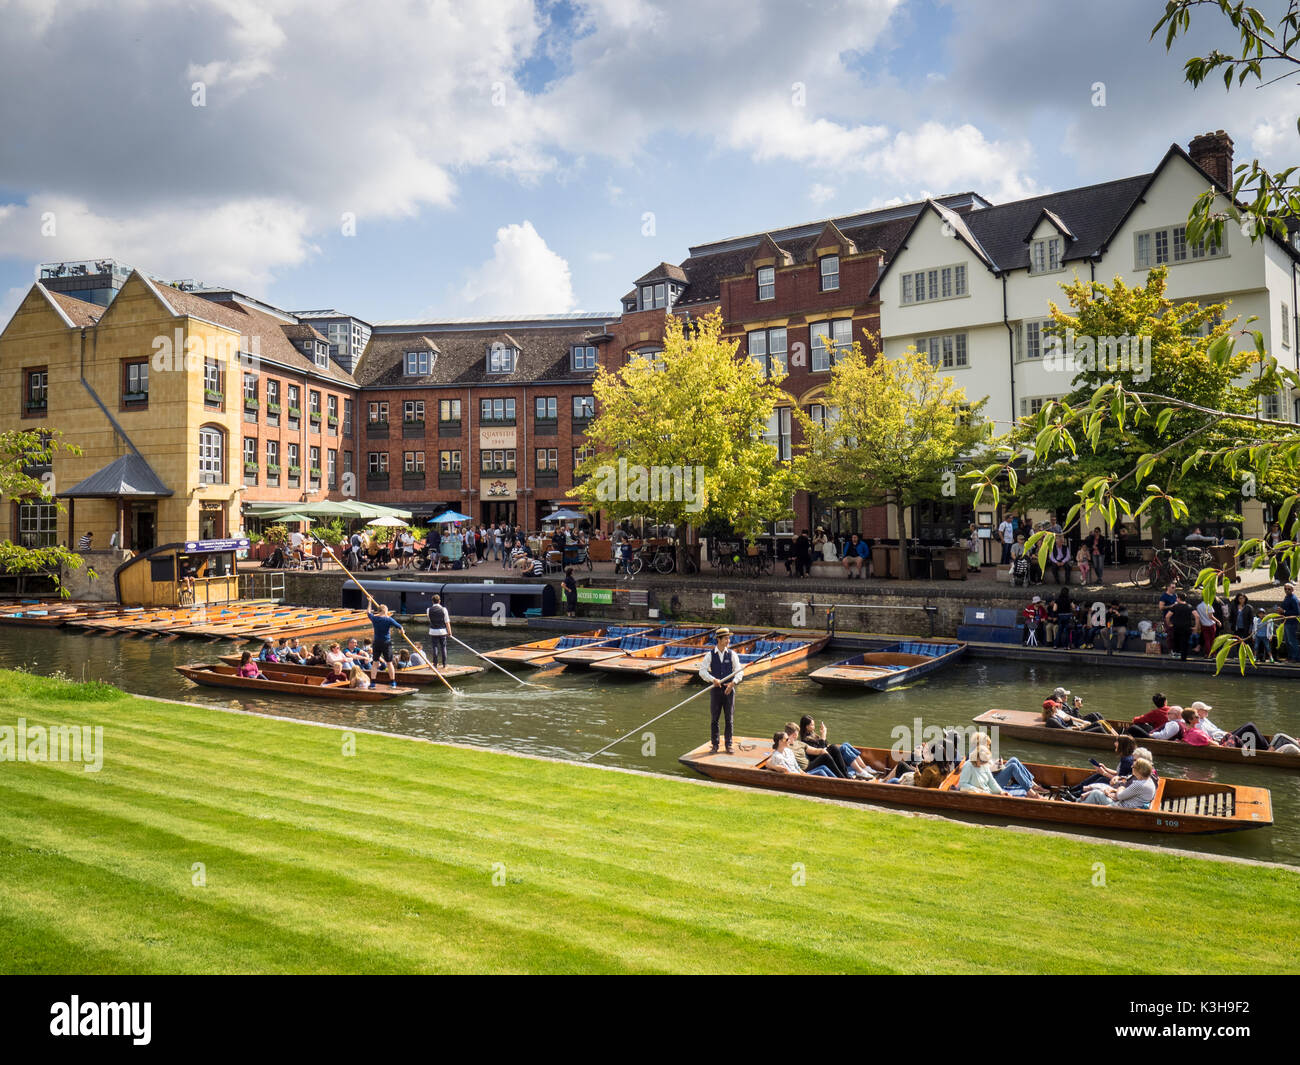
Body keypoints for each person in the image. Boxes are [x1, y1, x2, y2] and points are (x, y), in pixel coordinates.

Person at [698, 627, 743, 755]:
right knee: (714, 719)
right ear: (718, 639)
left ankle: (729, 744)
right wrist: (713, 680)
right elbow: (702, 671)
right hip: (716, 691)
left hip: (729, 690)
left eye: (729, 638)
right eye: (726, 638)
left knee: (729, 719)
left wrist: (733, 683)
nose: (728, 640)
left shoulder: (732, 654)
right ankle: (715, 745)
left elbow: (740, 671)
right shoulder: (710, 655)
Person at [798, 716, 881, 779]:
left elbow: (826, 744)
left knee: (845, 744)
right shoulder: (805, 740)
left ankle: (864, 767)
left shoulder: (813, 735)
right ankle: (860, 771)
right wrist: (823, 735)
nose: (814, 726)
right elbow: (820, 750)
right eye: (812, 725)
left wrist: (823, 736)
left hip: (826, 752)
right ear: (806, 726)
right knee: (841, 748)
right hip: (822, 757)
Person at [1080, 758, 1156, 807]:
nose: (1131, 768)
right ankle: (1077, 802)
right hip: (1127, 804)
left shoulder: (1139, 784)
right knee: (1100, 788)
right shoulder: (1148, 781)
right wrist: (1114, 790)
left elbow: (1120, 796)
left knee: (1096, 793)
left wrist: (1121, 786)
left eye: (1133, 767)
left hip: (1122, 808)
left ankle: (1077, 806)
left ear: (1138, 770)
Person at [766, 730, 836, 777]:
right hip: (796, 778)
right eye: (787, 739)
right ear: (780, 741)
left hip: (800, 774)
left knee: (823, 768)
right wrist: (803, 776)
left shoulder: (788, 751)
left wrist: (803, 773)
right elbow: (787, 773)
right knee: (820, 771)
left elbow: (797, 766)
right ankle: (836, 784)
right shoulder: (777, 756)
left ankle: (838, 780)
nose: (789, 740)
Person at [367, 604, 404, 688]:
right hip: (386, 643)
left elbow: (368, 612)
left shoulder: (375, 618)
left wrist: (369, 602)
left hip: (376, 643)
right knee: (389, 663)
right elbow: (399, 626)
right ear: (385, 611)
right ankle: (393, 682)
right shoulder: (389, 619)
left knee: (375, 663)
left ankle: (372, 683)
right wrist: (402, 631)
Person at [1165, 591, 1196, 660]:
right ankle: (1184, 657)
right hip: (1186, 627)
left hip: (1176, 627)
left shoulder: (1175, 607)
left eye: (1177, 598)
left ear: (1179, 598)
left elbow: (1167, 616)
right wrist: (1196, 626)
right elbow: (1197, 616)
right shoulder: (1189, 606)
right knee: (1185, 642)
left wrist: (1169, 624)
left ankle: (1177, 656)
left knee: (1176, 641)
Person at [426, 594, 451, 669]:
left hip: (433, 631)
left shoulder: (428, 610)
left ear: (432, 601)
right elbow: (447, 622)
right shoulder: (444, 609)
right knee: (443, 647)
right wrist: (449, 632)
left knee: (435, 647)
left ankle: (435, 664)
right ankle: (444, 664)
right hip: (442, 631)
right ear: (439, 601)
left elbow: (430, 619)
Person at [1282, 582, 1300, 661]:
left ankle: (1296, 657)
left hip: (1292, 623)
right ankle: (1290, 656)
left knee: (1292, 640)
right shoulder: (1287, 597)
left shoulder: (1293, 599)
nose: (1287, 590)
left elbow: (1297, 612)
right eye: (1285, 589)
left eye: (1289, 589)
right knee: (1287, 640)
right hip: (1286, 622)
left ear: (1292, 589)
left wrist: (1284, 612)